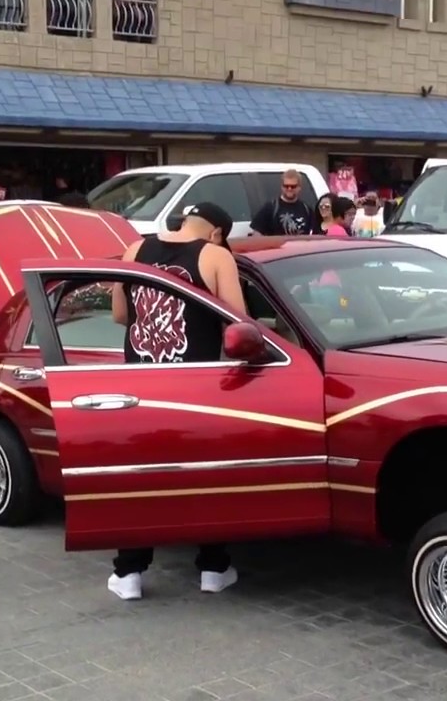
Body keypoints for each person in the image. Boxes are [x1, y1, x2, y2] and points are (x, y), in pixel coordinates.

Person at [106, 202, 246, 601]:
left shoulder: (135, 249)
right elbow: (239, 327)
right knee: (203, 477)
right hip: (194, 387)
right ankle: (213, 569)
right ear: (217, 232)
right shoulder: (216, 255)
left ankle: (129, 573)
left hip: (140, 384)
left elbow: (119, 315)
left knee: (140, 479)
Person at [250, 169, 316, 236]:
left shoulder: (307, 210)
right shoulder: (270, 208)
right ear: (281, 187)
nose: (289, 189)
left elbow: (316, 233)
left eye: (293, 186)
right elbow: (257, 233)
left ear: (299, 187)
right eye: (286, 186)